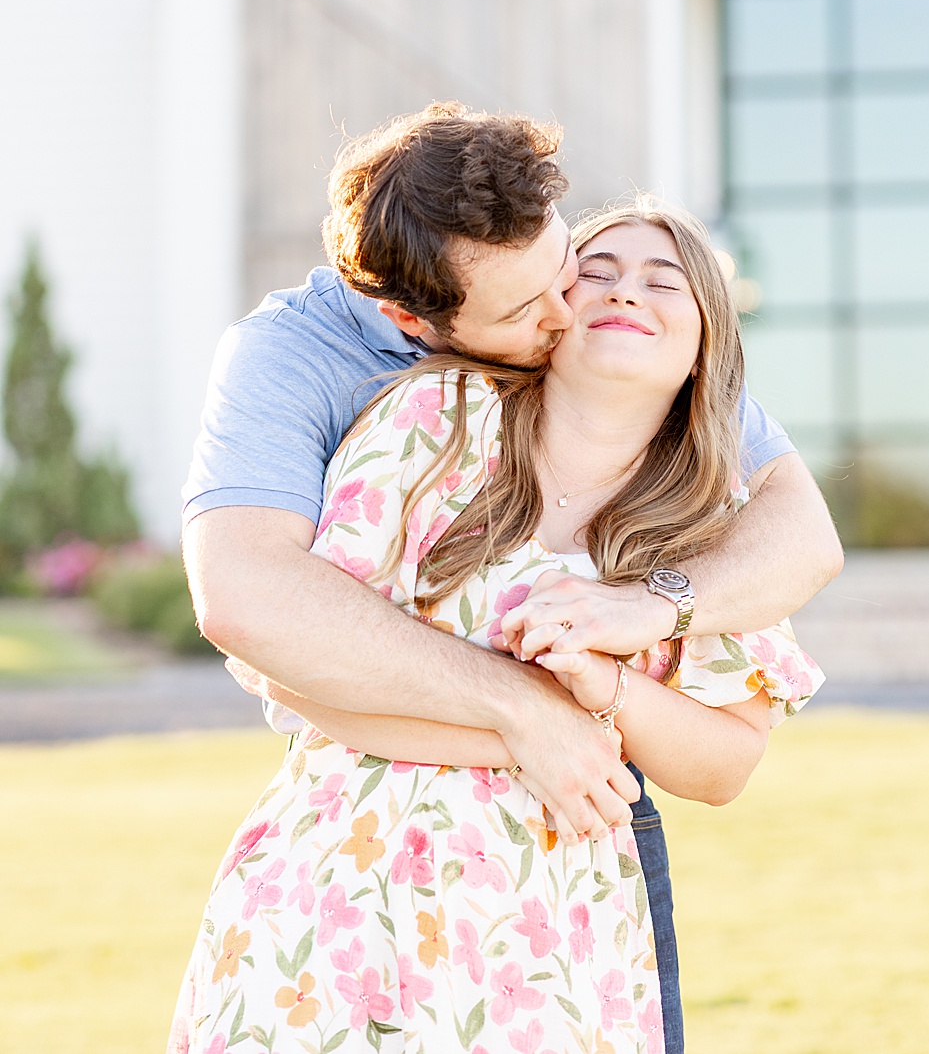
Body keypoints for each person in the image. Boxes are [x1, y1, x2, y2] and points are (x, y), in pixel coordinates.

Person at [182, 103, 844, 1052]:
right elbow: (261, 624)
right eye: (541, 305)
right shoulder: (402, 404)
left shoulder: (685, 462)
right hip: (353, 879)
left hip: (557, 901)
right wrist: (534, 723)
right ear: (418, 323)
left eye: (562, 265)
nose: (576, 305)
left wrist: (633, 629)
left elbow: (799, 549)